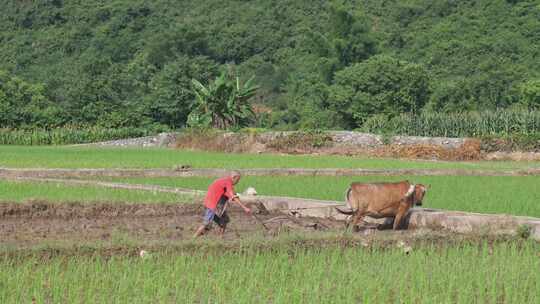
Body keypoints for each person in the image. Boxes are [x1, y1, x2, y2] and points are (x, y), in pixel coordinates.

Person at [194, 171, 251, 237]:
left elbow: (232, 195)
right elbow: (233, 196)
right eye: (237, 180)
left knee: (224, 221)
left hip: (215, 204)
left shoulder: (224, 181)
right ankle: (193, 239)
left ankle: (220, 239)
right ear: (234, 177)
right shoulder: (228, 183)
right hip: (213, 205)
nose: (237, 182)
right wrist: (245, 208)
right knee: (206, 223)